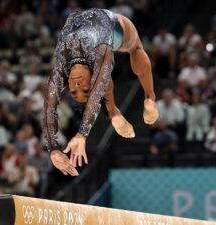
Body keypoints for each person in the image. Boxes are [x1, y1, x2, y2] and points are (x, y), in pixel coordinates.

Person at [43, 8, 158, 176]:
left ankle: (117, 111)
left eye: (75, 89)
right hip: (104, 25)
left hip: (105, 25)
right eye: (83, 88)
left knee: (125, 55)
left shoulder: (62, 66)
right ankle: (149, 99)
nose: (78, 85)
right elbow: (49, 109)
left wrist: (81, 135)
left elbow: (50, 106)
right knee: (135, 48)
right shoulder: (75, 62)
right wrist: (53, 148)